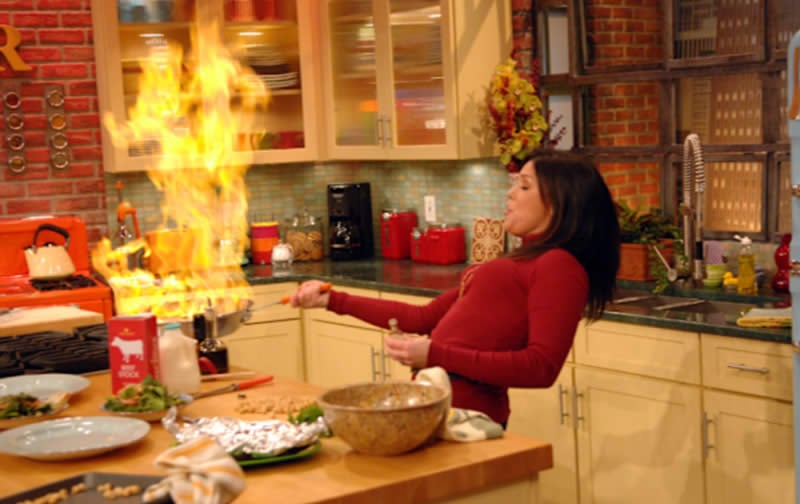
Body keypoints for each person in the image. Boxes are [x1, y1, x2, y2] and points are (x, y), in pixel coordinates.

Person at [290, 152, 621, 427]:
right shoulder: (524, 260)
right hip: (440, 409)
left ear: (558, 203)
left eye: (524, 186)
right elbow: (422, 318)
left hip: (469, 419)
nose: (510, 193)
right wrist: (332, 299)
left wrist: (434, 354)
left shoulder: (558, 266)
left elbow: (541, 367)